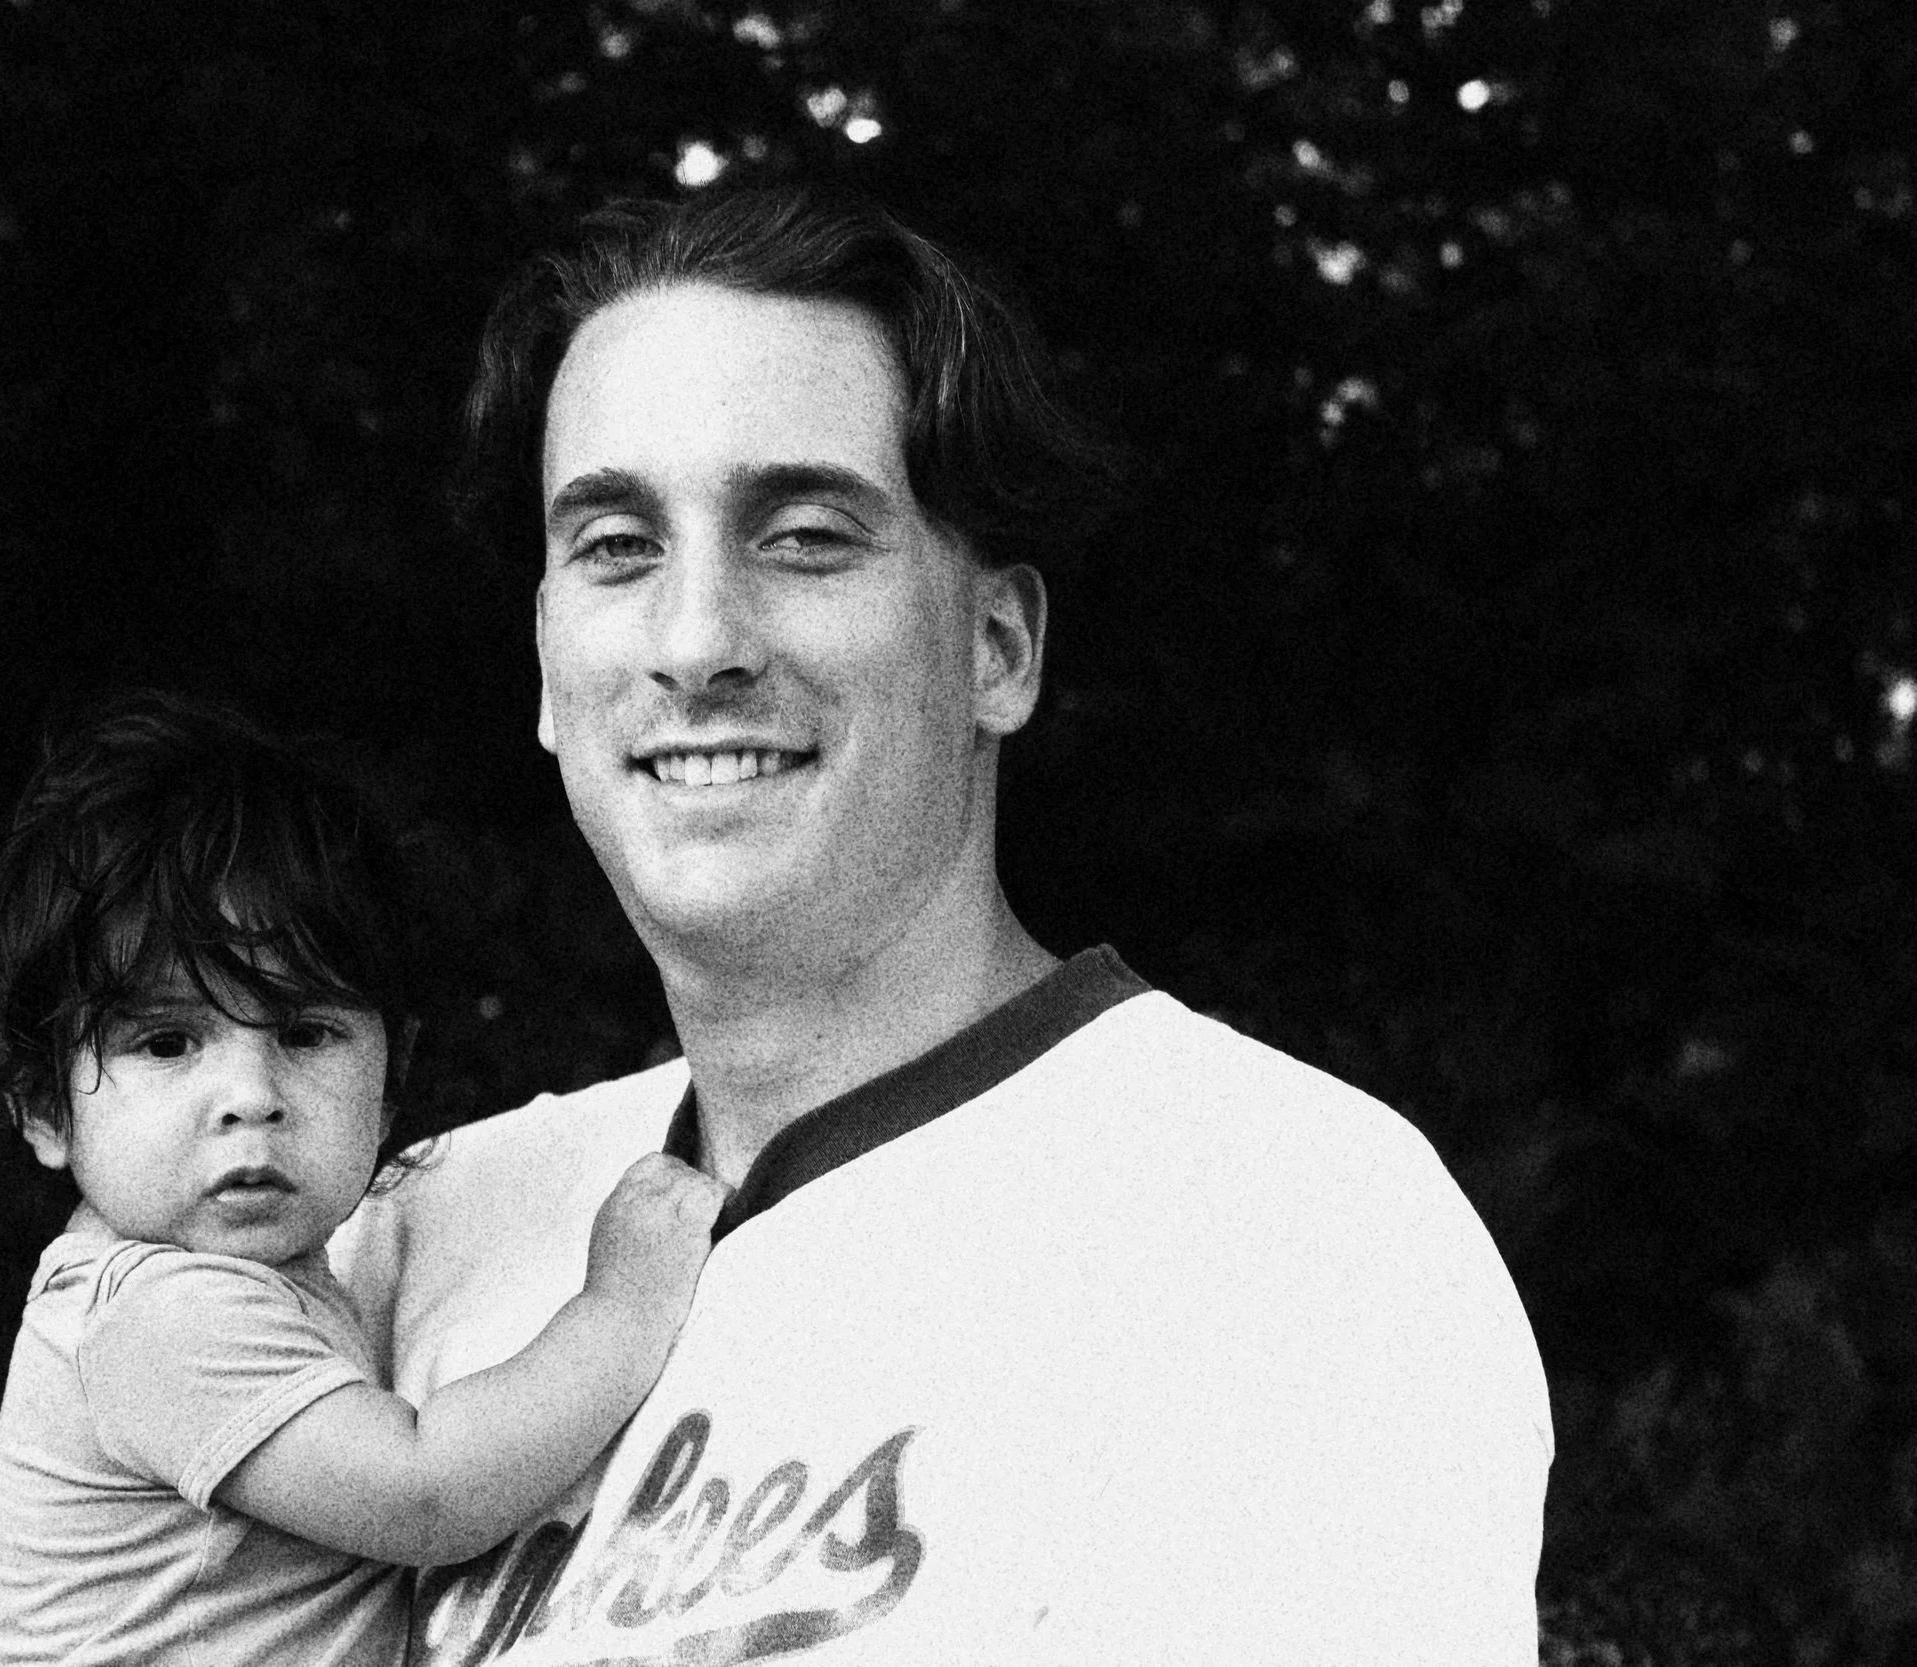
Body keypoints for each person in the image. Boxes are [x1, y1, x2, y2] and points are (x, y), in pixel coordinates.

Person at [333, 185, 1553, 1665]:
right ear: (543, 663)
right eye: (616, 544)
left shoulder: (1282, 1234)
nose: (697, 640)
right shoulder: (417, 1231)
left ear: (997, 645)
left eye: (803, 536)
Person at [0, 692, 725, 1666]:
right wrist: (620, 1307)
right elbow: (429, 1493)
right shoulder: (160, 1315)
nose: (252, 1096)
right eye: (166, 1042)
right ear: (43, 1106)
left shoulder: (250, 1280)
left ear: (390, 1078)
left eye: (304, 1032)